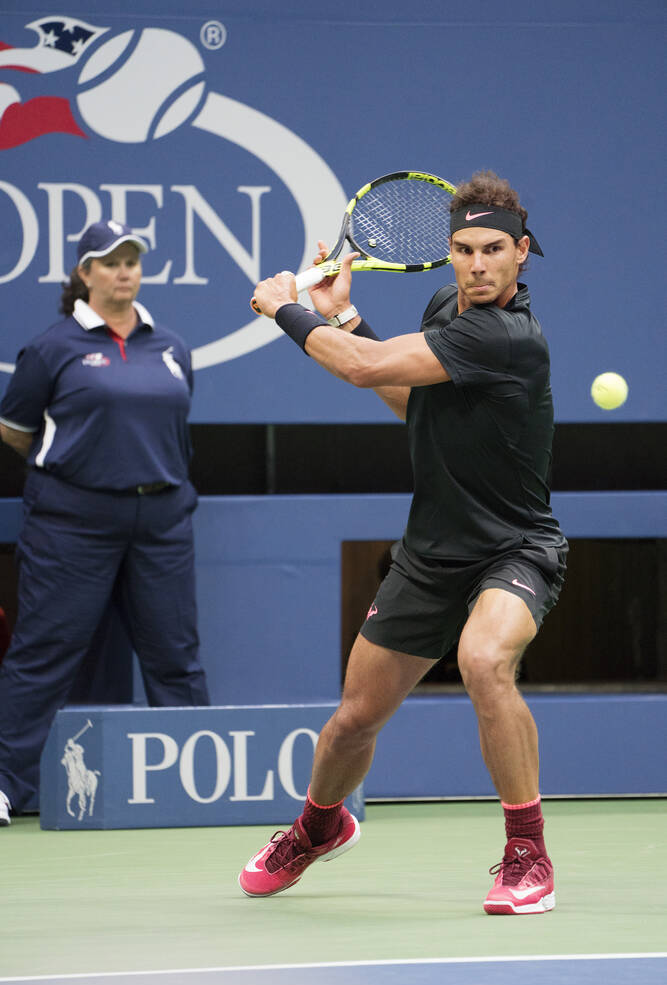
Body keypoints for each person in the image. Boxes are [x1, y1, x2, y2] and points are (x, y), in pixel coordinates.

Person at [239, 171, 567, 915]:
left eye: (493, 250)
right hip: (430, 554)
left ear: (521, 253)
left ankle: (528, 856)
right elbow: (407, 400)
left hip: (515, 548)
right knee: (353, 721)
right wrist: (343, 316)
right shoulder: (446, 306)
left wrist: (285, 308)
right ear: (449, 252)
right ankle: (318, 827)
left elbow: (363, 370)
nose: (477, 265)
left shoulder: (508, 336)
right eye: (463, 249)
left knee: (484, 660)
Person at [0, 220, 209, 827]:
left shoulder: (170, 346)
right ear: (84, 273)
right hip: (72, 521)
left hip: (162, 521)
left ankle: (196, 785)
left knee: (175, 656)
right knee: (44, 652)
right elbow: (15, 430)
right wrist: (83, 465)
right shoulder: (51, 349)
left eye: (131, 261)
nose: (123, 272)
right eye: (110, 262)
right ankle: (6, 784)